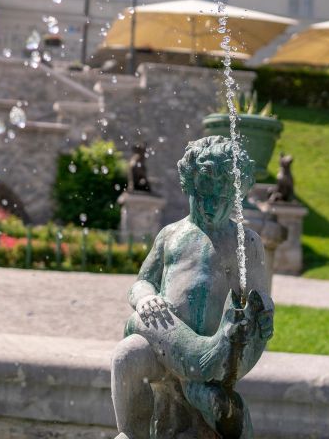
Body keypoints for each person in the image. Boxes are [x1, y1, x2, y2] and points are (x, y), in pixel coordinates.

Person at [111, 136, 274, 439]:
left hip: (219, 353)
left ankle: (201, 382)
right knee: (127, 355)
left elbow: (258, 295)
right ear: (188, 185)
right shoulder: (171, 235)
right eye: (202, 196)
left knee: (213, 402)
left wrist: (264, 314)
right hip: (161, 349)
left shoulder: (245, 242)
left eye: (221, 198)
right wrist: (146, 298)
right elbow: (142, 281)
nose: (210, 206)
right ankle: (131, 433)